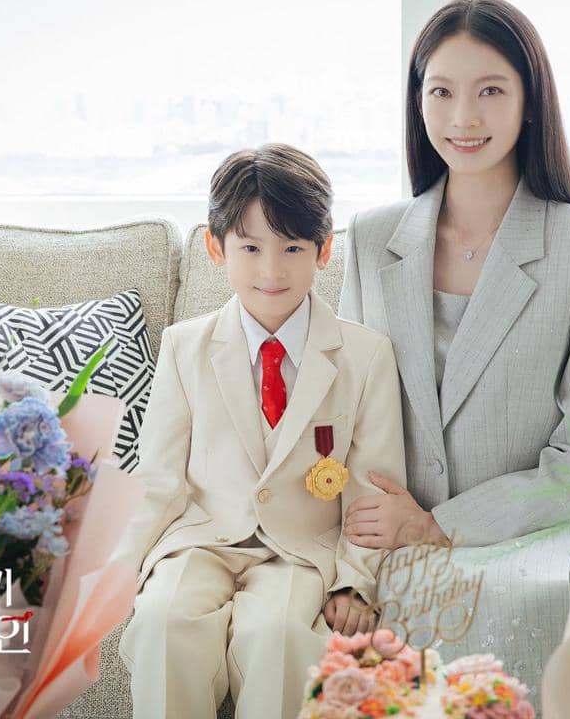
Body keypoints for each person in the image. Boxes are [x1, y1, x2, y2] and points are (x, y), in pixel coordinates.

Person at [339, 0, 570, 703]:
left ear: (530, 102)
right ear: (418, 102)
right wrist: (381, 532)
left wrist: (441, 526)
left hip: (546, 529)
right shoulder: (371, 240)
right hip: (397, 534)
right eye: (441, 92)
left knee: (538, 595)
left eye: (491, 91)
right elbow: (346, 417)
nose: (463, 117)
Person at [114, 143, 406, 719]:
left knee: (278, 638)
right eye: (250, 248)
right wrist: (118, 568)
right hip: (200, 540)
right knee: (162, 623)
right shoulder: (184, 347)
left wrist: (355, 581)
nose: (272, 271)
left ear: (324, 250)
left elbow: (371, 490)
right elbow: (159, 480)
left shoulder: (366, 355)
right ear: (215, 247)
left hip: (300, 553)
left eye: (292, 248)